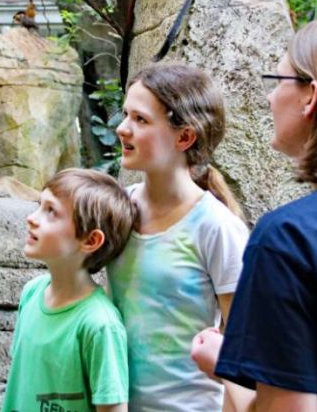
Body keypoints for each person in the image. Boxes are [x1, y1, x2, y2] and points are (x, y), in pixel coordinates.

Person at [190, 14, 317, 412]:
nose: (269, 98)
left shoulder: (290, 239)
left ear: (311, 96)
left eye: (277, 82)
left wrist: (226, 370)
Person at [107, 63, 249, 411]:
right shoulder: (118, 210)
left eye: (140, 120)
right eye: (125, 114)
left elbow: (245, 348)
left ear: (184, 137)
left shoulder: (217, 227)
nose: (123, 129)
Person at [2, 168, 138, 412]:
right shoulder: (31, 294)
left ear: (90, 241)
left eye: (51, 211)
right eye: (39, 205)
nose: (32, 218)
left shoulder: (99, 326)